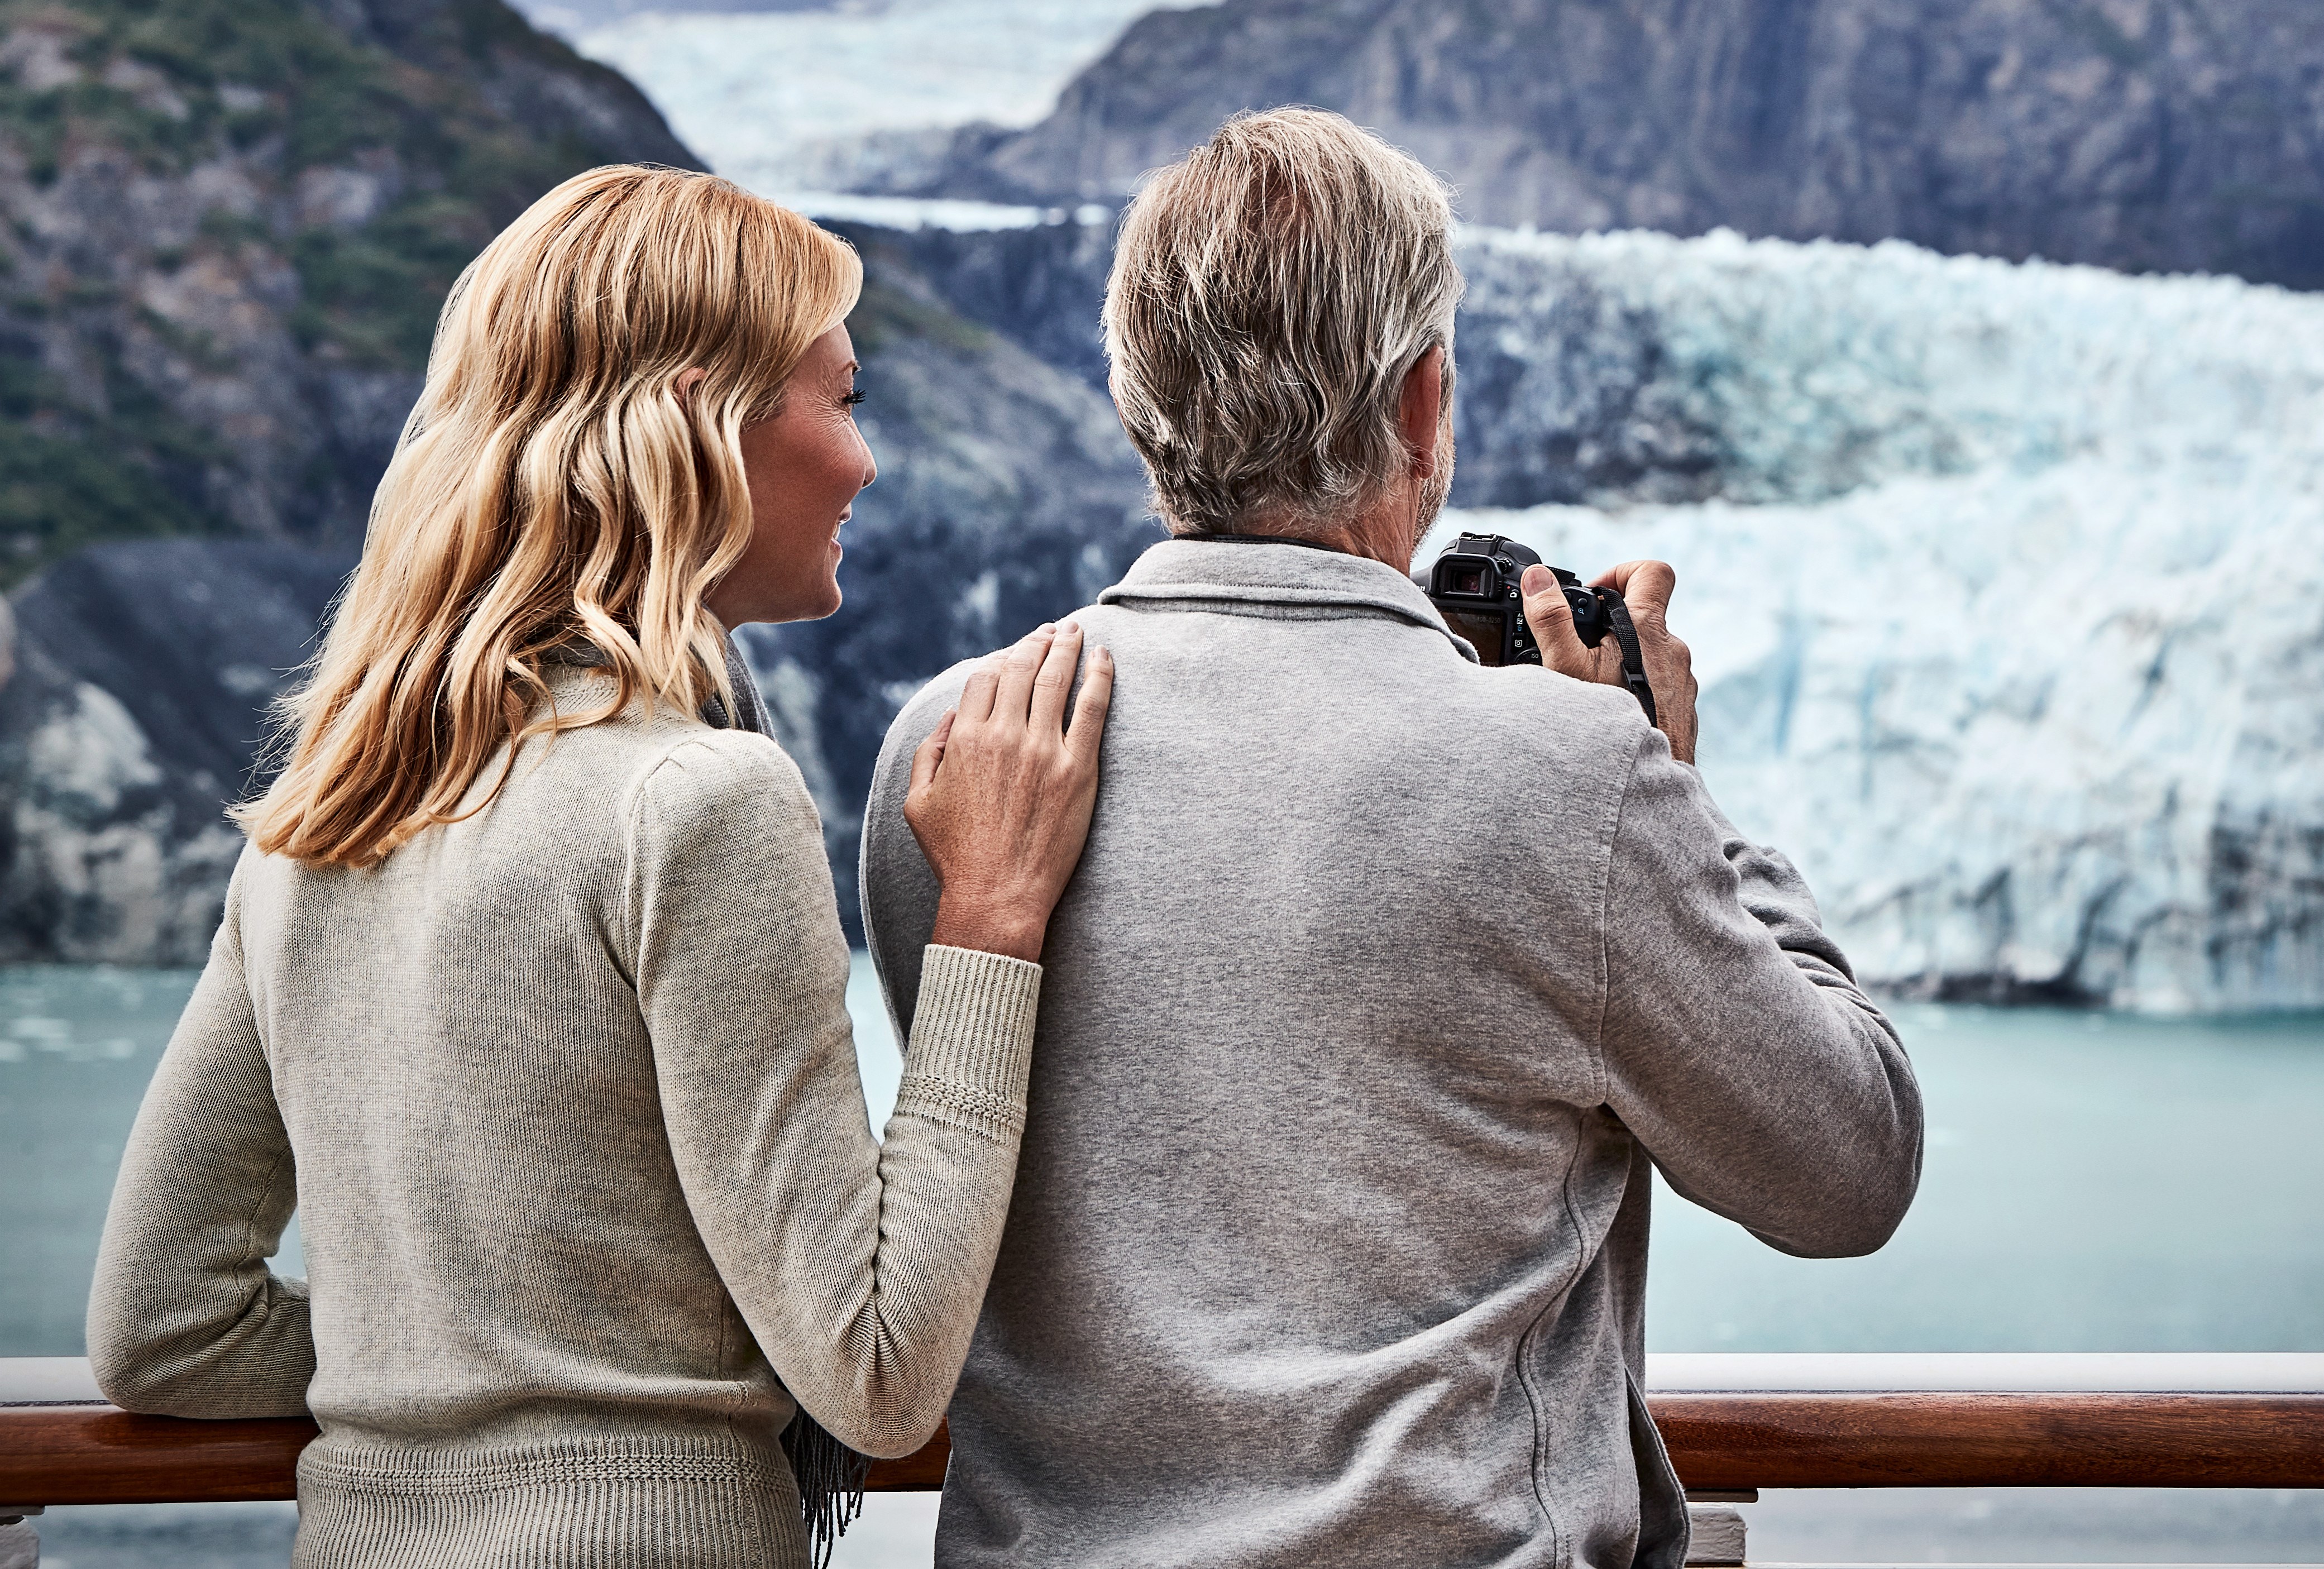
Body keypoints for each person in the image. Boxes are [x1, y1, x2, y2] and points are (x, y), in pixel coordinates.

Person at [860, 108, 1925, 1569]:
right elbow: (1845, 1166)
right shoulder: (1565, 776)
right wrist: (1669, 789)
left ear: (1136, 396)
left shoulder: (957, 746)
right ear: (1422, 403)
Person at [88, 166, 1111, 1568]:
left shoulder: (319, 825)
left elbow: (166, 1330)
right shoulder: (694, 801)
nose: (865, 461)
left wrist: (470, 1361)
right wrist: (991, 915)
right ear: (700, 421)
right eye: (844, 398)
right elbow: (876, 1375)